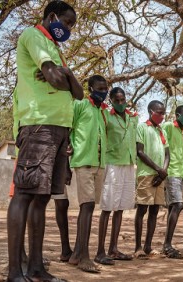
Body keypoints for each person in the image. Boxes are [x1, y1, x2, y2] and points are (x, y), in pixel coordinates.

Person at [8, 1, 83, 281]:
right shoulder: (34, 36)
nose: (69, 28)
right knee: (25, 195)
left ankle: (37, 269)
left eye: (72, 24)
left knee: (41, 199)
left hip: (60, 128)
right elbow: (52, 79)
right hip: (39, 125)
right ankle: (16, 272)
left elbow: (78, 94)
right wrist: (61, 76)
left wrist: (68, 74)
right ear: (52, 16)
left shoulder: (56, 50)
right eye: (67, 21)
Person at [67, 75, 109, 273]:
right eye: (100, 88)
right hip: (83, 161)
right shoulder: (80, 105)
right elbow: (68, 128)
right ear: (90, 88)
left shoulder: (103, 112)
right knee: (87, 205)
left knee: (90, 207)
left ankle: (76, 254)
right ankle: (84, 256)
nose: (104, 91)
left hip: (100, 164)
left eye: (106, 88)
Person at [95, 87, 138, 263]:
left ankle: (114, 248)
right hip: (112, 164)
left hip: (128, 164)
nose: (121, 103)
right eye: (117, 100)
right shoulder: (106, 116)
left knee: (120, 208)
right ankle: (100, 251)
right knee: (107, 208)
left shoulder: (131, 117)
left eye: (123, 100)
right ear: (111, 101)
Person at [134, 100, 170, 259]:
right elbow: (140, 152)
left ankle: (148, 246)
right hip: (146, 173)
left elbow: (167, 153)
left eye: (163, 113)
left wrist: (163, 172)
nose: (162, 116)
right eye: (159, 112)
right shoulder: (142, 127)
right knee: (142, 209)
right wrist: (158, 169)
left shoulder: (162, 131)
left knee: (155, 210)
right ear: (150, 111)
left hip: (160, 176)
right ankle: (138, 247)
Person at [161, 105, 183, 259]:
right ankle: (167, 244)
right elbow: (162, 143)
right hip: (171, 171)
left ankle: (167, 244)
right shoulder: (168, 126)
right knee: (179, 205)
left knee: (174, 205)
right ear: (177, 114)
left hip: (181, 172)